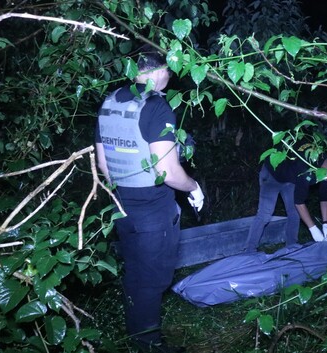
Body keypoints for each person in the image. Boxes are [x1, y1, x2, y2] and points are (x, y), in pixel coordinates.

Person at [95, 48, 202, 353]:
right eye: (169, 70)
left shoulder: (110, 100)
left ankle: (136, 337)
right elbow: (167, 172)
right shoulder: (156, 105)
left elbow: (104, 165)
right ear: (158, 70)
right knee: (154, 281)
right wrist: (193, 187)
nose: (170, 76)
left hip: (120, 207)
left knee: (136, 274)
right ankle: (149, 346)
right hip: (153, 212)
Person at [244, 155, 327, 252]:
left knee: (294, 213)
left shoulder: (325, 170)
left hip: (290, 179)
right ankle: (249, 250)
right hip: (272, 174)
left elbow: (325, 196)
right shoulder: (306, 168)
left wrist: (325, 224)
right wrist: (313, 229)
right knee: (265, 214)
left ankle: (291, 246)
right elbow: (299, 202)